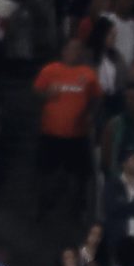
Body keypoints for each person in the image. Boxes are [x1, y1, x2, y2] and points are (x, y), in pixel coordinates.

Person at [34, 38, 102, 219]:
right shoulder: (49, 71)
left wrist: (91, 114)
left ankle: (75, 210)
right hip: (51, 133)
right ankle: (42, 208)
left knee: (79, 174)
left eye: (78, 49)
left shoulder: (88, 74)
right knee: (45, 172)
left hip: (77, 134)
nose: (75, 52)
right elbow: (37, 92)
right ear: (63, 51)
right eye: (71, 48)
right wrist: (46, 94)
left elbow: (97, 97)